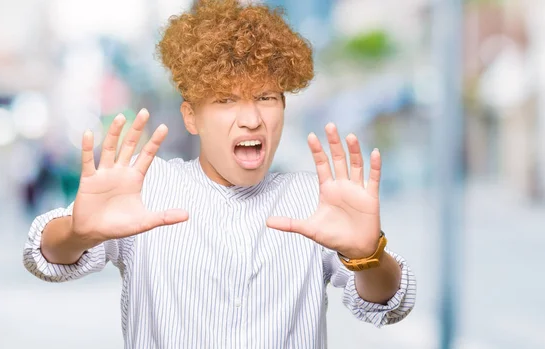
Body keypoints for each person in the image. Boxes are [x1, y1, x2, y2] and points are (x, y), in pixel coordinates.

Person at [23, 0, 416, 348]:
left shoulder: (318, 201)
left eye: (266, 98)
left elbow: (388, 303)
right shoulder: (147, 188)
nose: (251, 119)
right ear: (191, 116)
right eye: (226, 100)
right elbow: (47, 257)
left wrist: (368, 255)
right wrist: (77, 232)